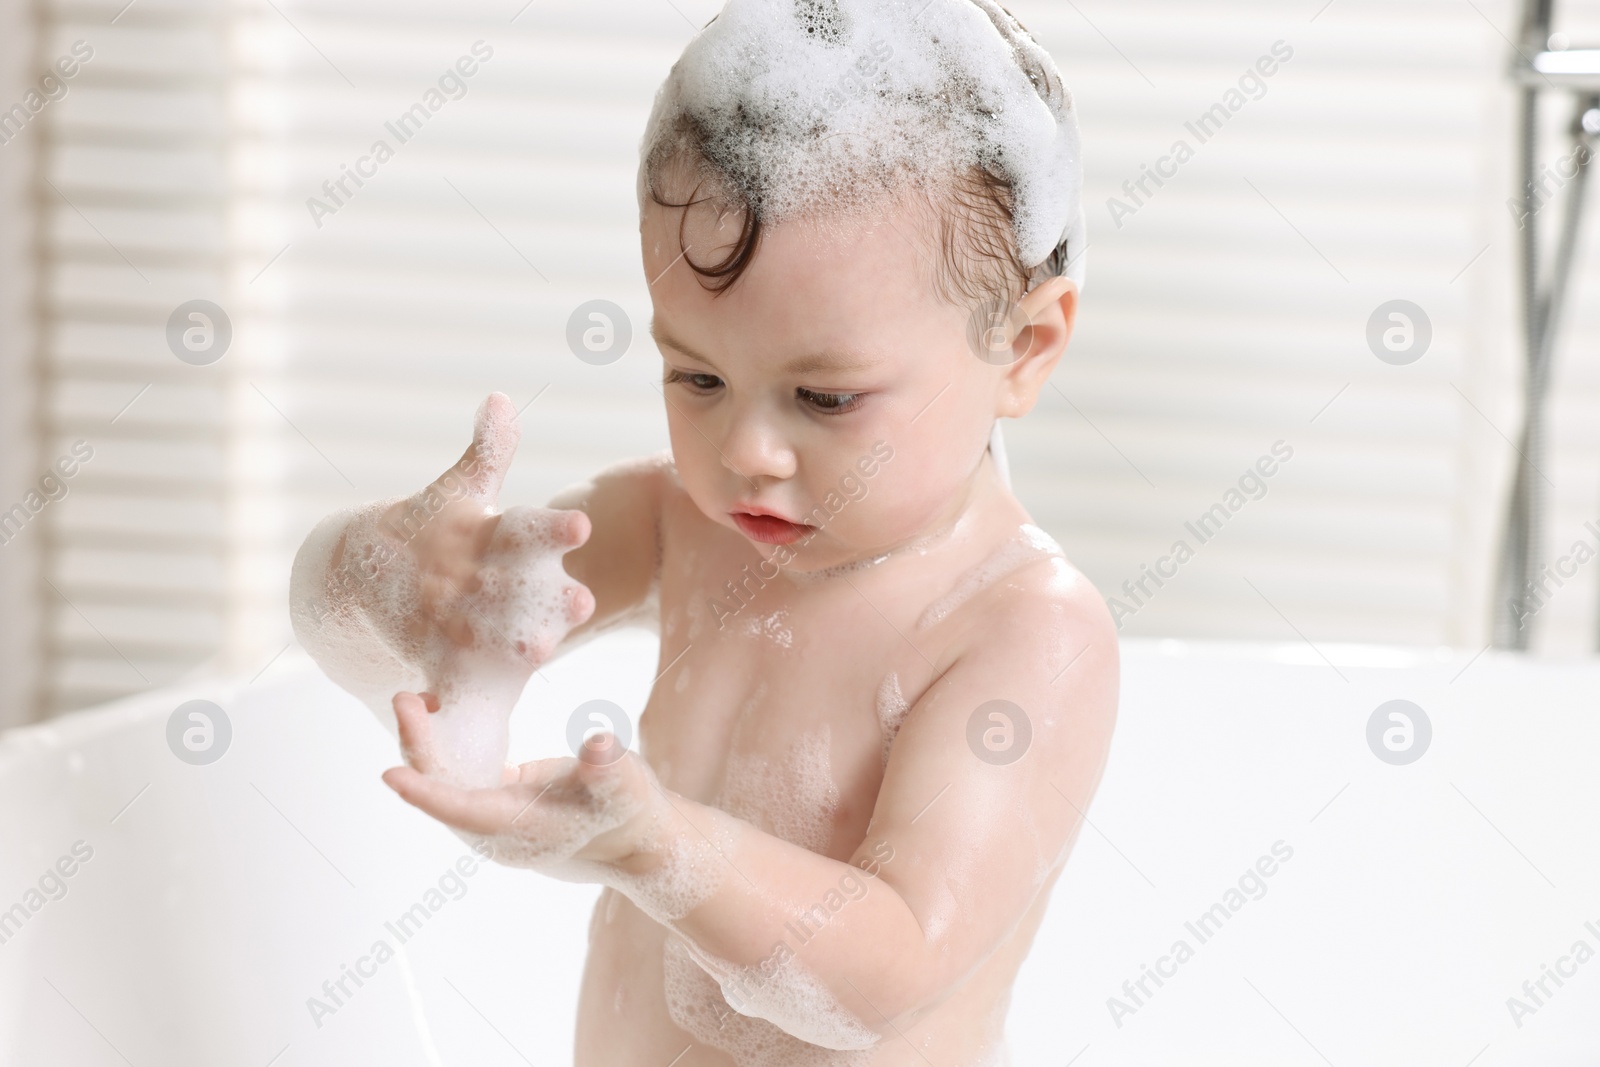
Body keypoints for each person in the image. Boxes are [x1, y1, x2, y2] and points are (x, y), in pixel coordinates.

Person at [290, 1, 1117, 1062]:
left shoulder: (1019, 629)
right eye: (698, 376)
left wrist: (654, 846)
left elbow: (890, 972)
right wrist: (381, 572)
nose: (746, 452)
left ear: (1026, 349)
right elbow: (378, 641)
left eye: (823, 396)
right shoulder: (681, 524)